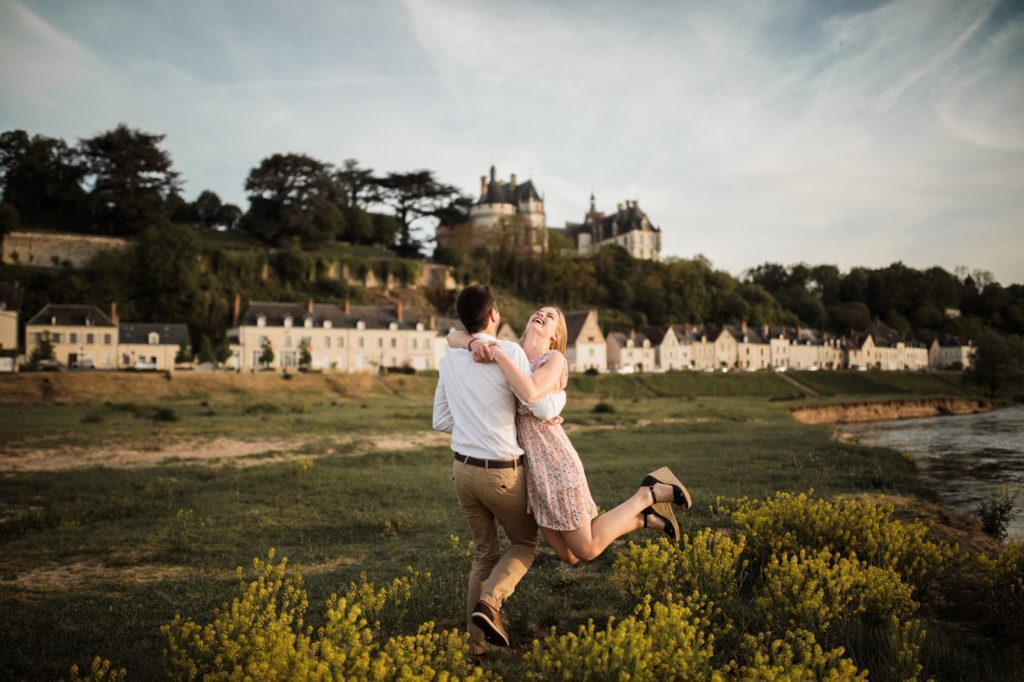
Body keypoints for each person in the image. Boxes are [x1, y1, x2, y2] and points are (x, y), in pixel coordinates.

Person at [447, 305, 692, 567]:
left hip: (554, 462)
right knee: (569, 555)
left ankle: (649, 492)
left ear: (555, 335)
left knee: (586, 549)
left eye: (550, 316)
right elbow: (453, 337)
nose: (541, 314)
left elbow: (532, 393)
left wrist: (496, 356)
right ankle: (647, 519)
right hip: (528, 472)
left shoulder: (553, 360)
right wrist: (473, 343)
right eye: (538, 312)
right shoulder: (508, 350)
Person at [431, 285, 568, 653]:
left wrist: (471, 423)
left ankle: (476, 647)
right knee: (524, 544)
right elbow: (531, 402)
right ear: (494, 315)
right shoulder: (509, 353)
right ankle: (490, 605)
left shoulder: (449, 359)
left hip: (462, 471)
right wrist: (558, 399)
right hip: (501, 471)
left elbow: (441, 418)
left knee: (483, 553)